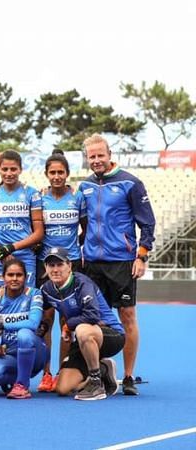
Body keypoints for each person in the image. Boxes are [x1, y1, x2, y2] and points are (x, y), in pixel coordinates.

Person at [79, 133, 155, 396]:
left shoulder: (130, 183)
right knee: (96, 320)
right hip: (92, 263)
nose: (97, 160)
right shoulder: (85, 186)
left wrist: (141, 255)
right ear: (87, 158)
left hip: (122, 261)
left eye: (101, 155)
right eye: (92, 156)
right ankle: (100, 371)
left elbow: (147, 223)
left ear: (110, 155)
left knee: (127, 317)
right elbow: (83, 223)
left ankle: (129, 375)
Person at [39, 247, 125, 401]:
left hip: (110, 334)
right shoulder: (47, 290)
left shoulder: (82, 283)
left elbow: (92, 315)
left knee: (82, 330)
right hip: (81, 341)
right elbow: (41, 313)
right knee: (63, 388)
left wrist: (67, 325)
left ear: (69, 265)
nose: (55, 269)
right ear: (46, 268)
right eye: (51, 265)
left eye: (60, 264)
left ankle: (96, 383)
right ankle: (103, 369)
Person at [35, 150, 87, 392]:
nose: (57, 176)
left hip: (71, 264)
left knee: (68, 321)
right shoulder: (40, 199)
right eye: (52, 172)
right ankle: (46, 374)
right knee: (46, 320)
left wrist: (73, 256)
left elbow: (85, 230)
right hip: (46, 267)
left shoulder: (77, 199)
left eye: (61, 172)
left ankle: (62, 369)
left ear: (67, 174)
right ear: (46, 174)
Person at [0, 258, 47, 399]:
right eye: (10, 275)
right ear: (3, 277)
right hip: (10, 354)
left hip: (36, 353)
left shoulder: (34, 294)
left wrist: (5, 325)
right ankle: (15, 380)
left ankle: (22, 386)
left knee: (24, 334)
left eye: (19, 275)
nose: (15, 279)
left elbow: (33, 323)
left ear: (25, 277)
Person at [0, 150, 44, 290]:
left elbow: (39, 233)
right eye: (5, 169)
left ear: (20, 169)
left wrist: (11, 248)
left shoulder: (32, 193)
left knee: (26, 299)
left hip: (25, 256)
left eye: (13, 169)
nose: (9, 173)